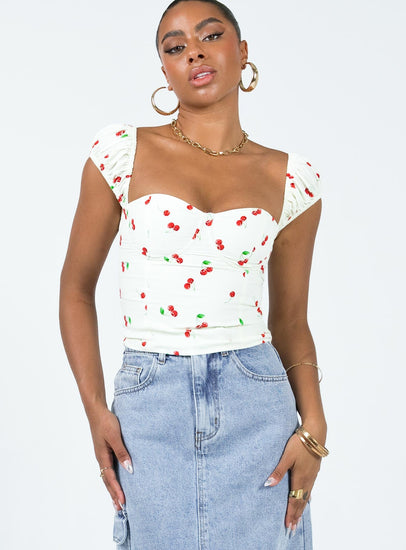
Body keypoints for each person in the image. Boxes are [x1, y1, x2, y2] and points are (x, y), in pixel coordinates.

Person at [59, 1, 328, 548]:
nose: (194, 54)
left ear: (242, 52)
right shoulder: (121, 154)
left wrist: (315, 426)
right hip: (150, 405)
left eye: (210, 36)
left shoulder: (292, 179)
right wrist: (94, 410)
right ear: (164, 70)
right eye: (175, 47)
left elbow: (291, 321)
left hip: (257, 402)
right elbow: (75, 289)